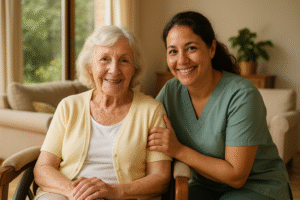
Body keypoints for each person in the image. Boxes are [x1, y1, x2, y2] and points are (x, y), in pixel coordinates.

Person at [147, 11, 292, 200]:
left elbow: (236, 176)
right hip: (204, 187)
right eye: (173, 51)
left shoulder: (242, 95)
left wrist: (178, 150)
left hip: (257, 188)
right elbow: (144, 122)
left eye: (191, 48)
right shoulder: (170, 91)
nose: (181, 60)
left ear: (211, 49)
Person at [33, 25, 172, 200]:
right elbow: (43, 168)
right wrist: (74, 192)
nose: (114, 70)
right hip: (65, 193)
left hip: (125, 196)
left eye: (124, 60)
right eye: (104, 59)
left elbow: (160, 178)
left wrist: (115, 191)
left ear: (134, 68)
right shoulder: (69, 107)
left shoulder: (151, 111)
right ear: (90, 67)